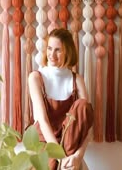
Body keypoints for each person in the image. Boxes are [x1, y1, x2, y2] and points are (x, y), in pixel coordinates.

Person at [28, 28, 94, 170]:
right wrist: (61, 158)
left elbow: (87, 126)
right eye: (50, 48)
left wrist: (78, 156)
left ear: (68, 52)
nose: (52, 54)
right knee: (50, 164)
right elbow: (43, 121)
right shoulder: (36, 78)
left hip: (71, 147)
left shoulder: (77, 80)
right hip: (45, 143)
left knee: (83, 106)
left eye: (58, 50)